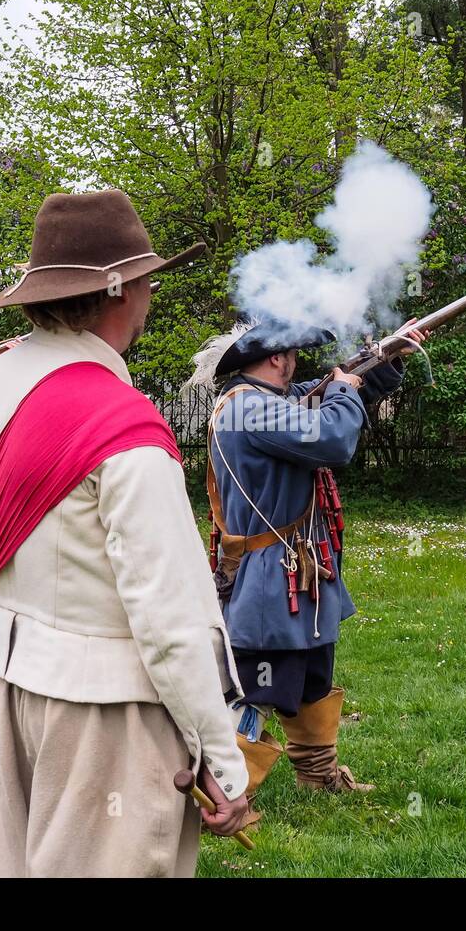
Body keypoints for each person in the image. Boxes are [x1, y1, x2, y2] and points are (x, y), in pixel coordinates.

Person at [0, 189, 249, 876]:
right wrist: (222, 756)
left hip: (19, 685)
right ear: (121, 292)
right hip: (109, 716)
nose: (150, 295)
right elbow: (170, 616)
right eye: (146, 281)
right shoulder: (126, 428)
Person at [188, 316, 424, 825]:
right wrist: (344, 389)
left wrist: (386, 360)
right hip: (272, 572)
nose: (296, 361)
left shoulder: (269, 401)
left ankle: (318, 774)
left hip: (299, 565)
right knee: (256, 687)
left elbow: (323, 401)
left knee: (314, 672)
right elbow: (333, 439)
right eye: (290, 353)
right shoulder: (250, 408)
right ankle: (226, 794)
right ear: (275, 357)